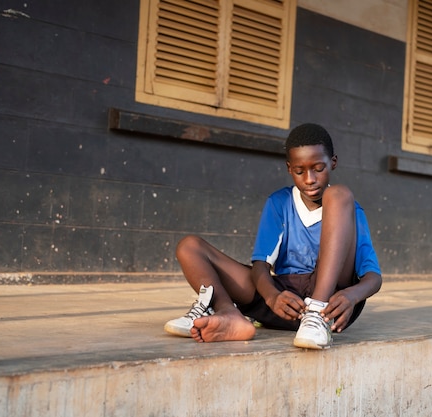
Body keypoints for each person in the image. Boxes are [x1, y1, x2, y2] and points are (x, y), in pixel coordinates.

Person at [164, 123, 382, 349]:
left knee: (339, 194)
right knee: (189, 246)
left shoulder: (348, 208)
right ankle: (228, 313)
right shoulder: (279, 202)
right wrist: (272, 297)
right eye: (300, 171)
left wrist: (352, 296)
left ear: (333, 163)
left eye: (318, 168)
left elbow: (373, 278)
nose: (309, 179)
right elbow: (260, 266)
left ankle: (315, 316)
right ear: (290, 169)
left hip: (330, 306)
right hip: (284, 302)